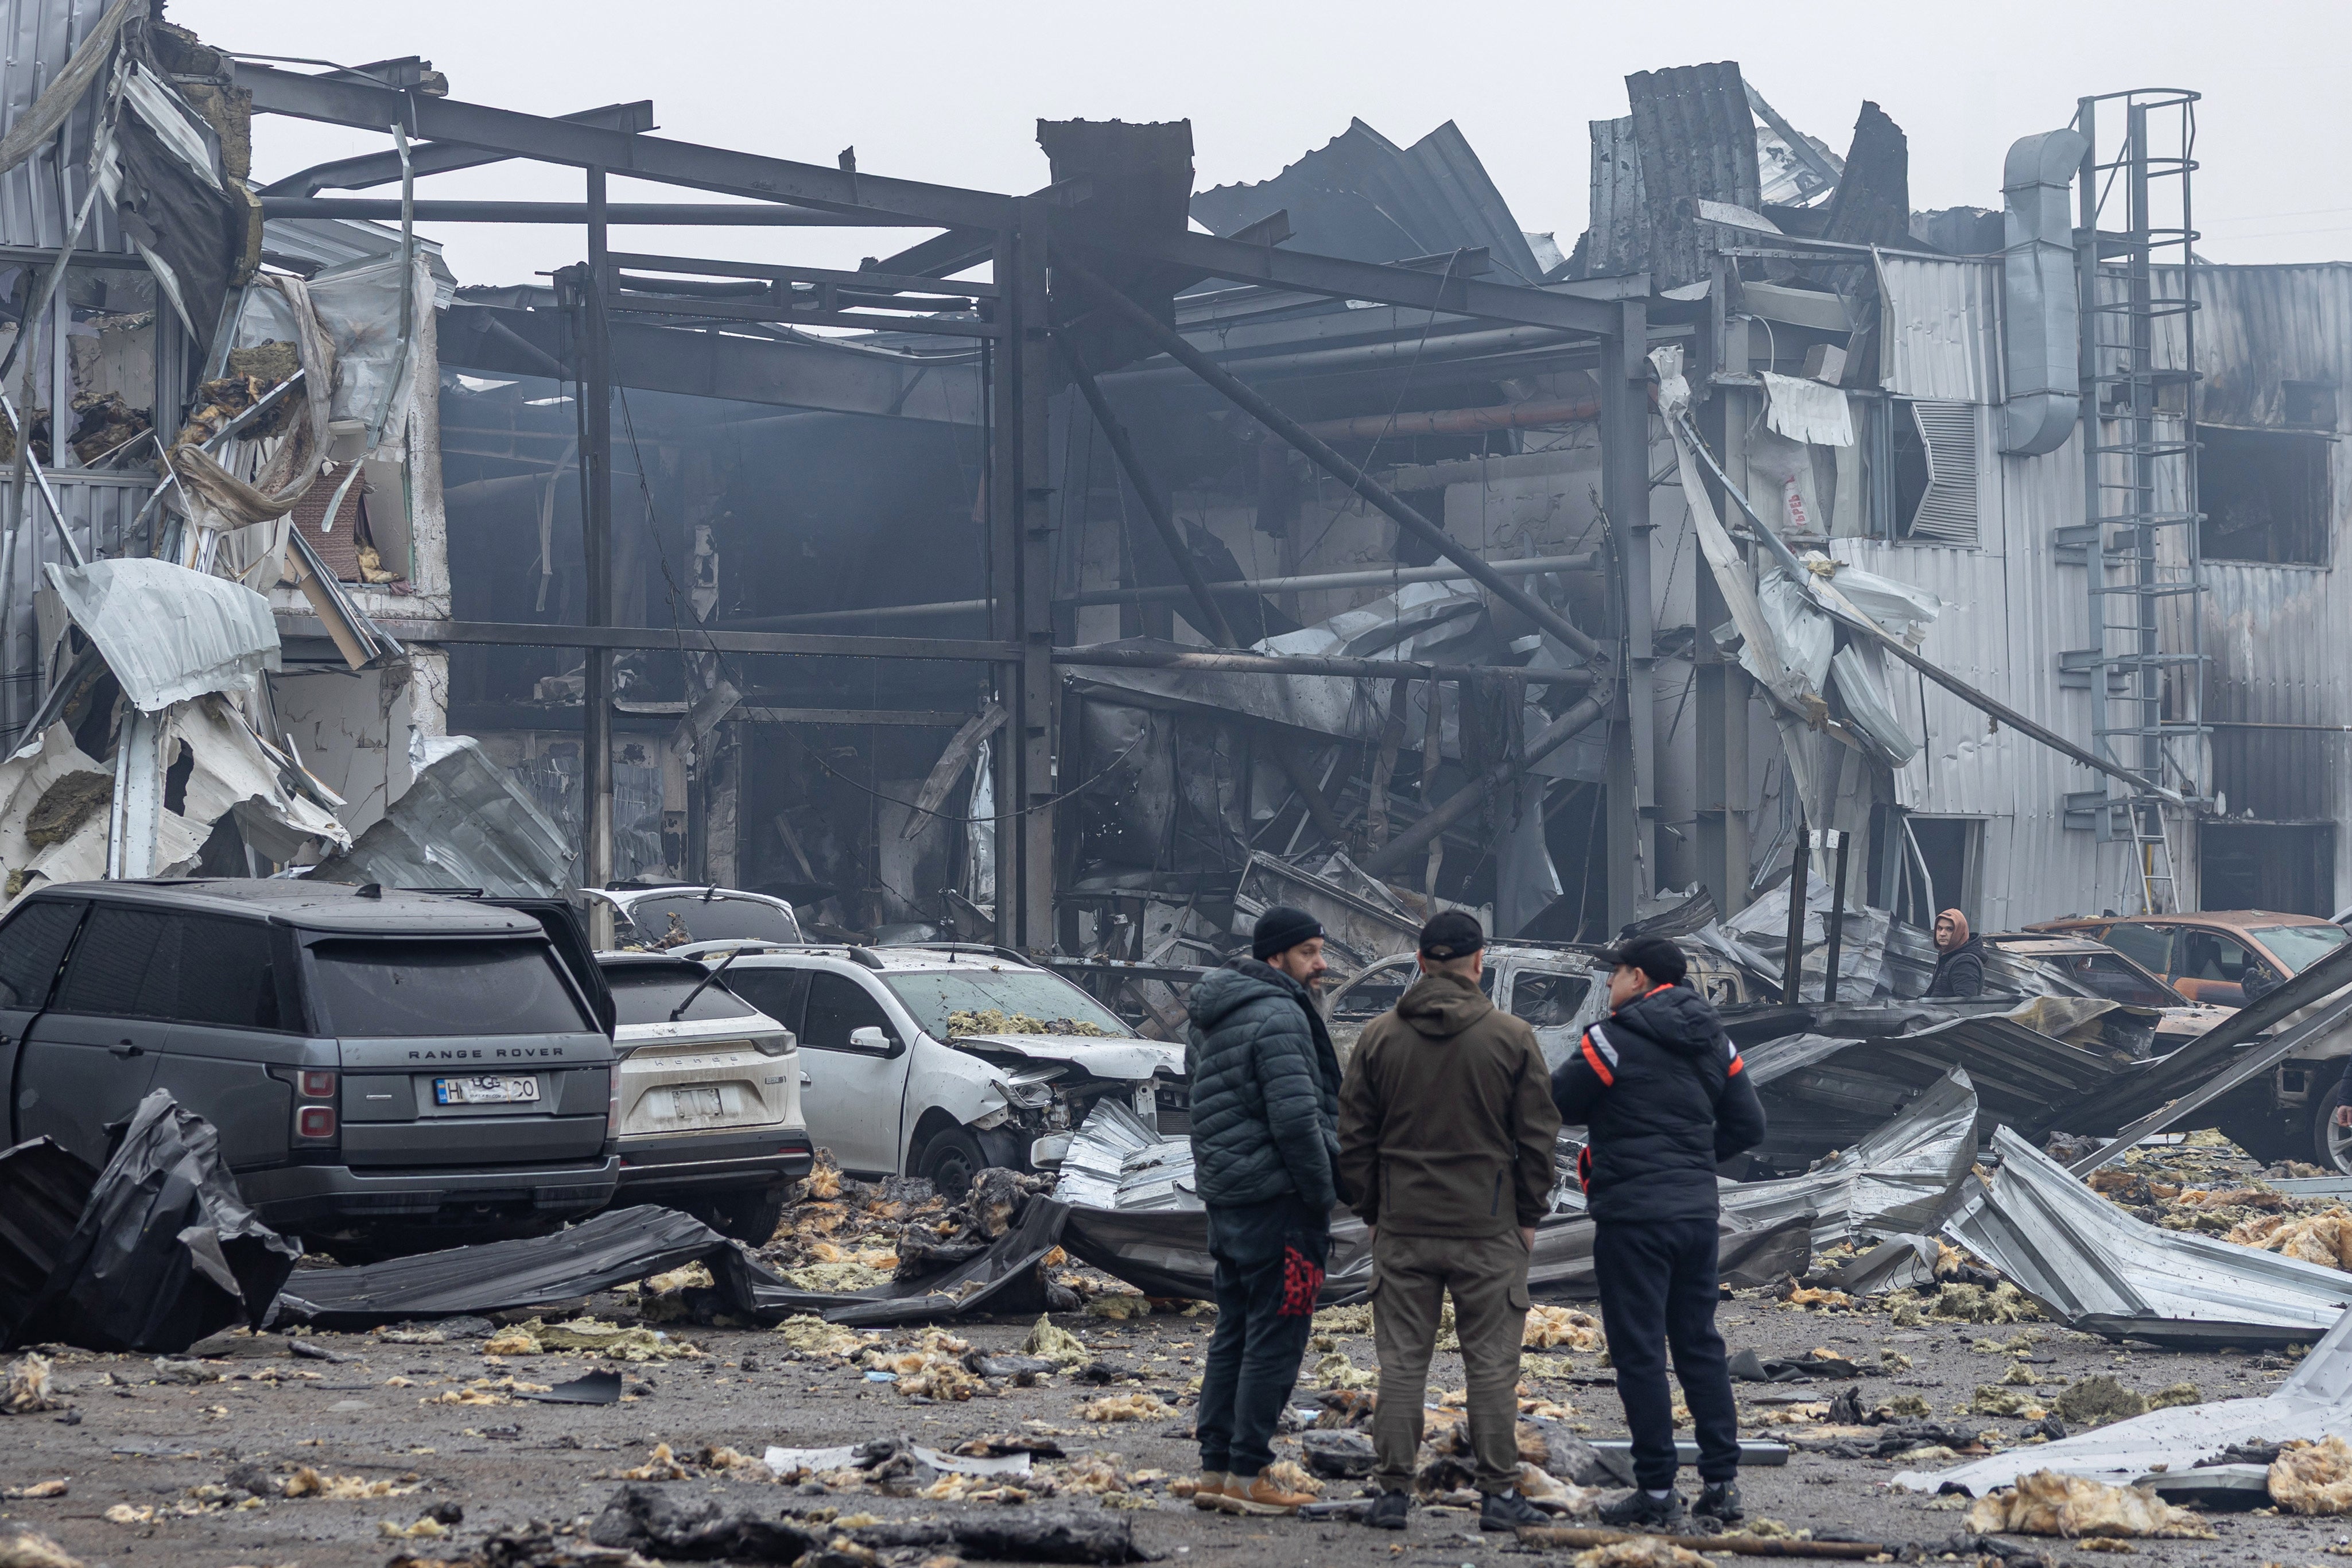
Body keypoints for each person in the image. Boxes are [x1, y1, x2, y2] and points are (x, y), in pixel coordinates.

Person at [1337, 910, 1562, 1533]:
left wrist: (1374, 1211)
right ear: (1480, 960)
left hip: (1404, 1227)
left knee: (1403, 1364)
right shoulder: (1512, 1036)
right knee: (1490, 1366)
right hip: (1488, 1229)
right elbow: (1538, 1139)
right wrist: (1527, 1216)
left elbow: (1353, 1137)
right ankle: (1497, 1495)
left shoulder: (1379, 1037)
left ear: (1418, 961)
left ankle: (1389, 1495)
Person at [1551, 935, 1765, 1529]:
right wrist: (1694, 1155)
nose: (1610, 983)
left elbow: (1562, 1101)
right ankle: (1722, 1484)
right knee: (1699, 1342)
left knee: (1640, 1352)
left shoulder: (1609, 1040)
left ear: (1639, 977)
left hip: (1633, 1218)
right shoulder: (1716, 1041)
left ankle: (1655, 1489)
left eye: (1615, 972)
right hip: (1697, 1216)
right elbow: (1750, 1124)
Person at [1182, 905, 1342, 1517]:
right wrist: (1322, 1192)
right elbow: (1298, 1120)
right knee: (1278, 1331)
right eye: (1309, 952)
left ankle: (1216, 1468)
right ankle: (1250, 1472)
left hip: (1227, 1196)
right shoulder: (1280, 1015)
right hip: (1280, 1203)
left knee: (1236, 1326)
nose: (1321, 963)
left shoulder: (1213, 1014)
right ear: (1276, 956)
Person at [1926, 909, 1986, 998]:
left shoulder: (1965, 962)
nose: (1942, 934)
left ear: (1960, 931)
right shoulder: (1948, 956)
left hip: (1946, 1012)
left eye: (1949, 929)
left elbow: (1965, 1004)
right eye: (1939, 928)